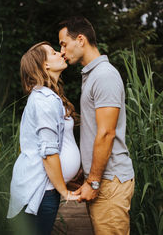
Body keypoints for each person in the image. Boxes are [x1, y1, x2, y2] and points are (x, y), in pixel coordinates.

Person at [58, 16, 135, 235]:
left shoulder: (104, 75)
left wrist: (93, 182)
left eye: (64, 43)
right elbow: (94, 131)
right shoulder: (92, 75)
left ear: (80, 39)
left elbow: (107, 133)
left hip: (109, 181)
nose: (62, 51)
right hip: (102, 179)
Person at [7, 41, 81, 235]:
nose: (60, 53)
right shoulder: (44, 100)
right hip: (40, 192)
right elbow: (48, 153)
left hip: (47, 188)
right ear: (44, 65)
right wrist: (65, 192)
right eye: (54, 52)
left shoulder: (49, 96)